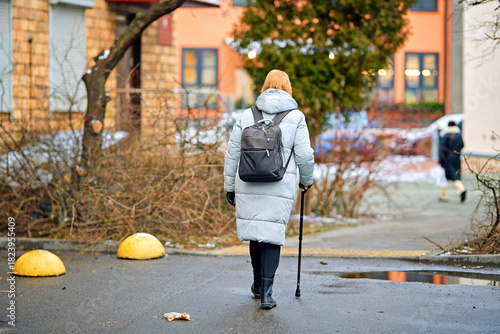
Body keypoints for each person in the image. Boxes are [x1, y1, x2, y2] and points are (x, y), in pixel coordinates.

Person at [223, 69, 314, 309]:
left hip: (248, 181)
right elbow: (304, 155)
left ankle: (257, 285)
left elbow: (232, 153)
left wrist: (229, 186)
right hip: (279, 183)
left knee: (255, 231)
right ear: (288, 88)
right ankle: (267, 293)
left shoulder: (246, 115)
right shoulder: (296, 117)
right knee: (271, 234)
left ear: (265, 86)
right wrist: (307, 181)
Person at [438, 120, 467, 202]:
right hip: (457, 158)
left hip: (447, 159)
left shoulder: (445, 135)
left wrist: (440, 160)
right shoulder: (458, 135)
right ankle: (461, 190)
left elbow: (442, 149)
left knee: (445, 178)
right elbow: (462, 145)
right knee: (455, 176)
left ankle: (445, 195)